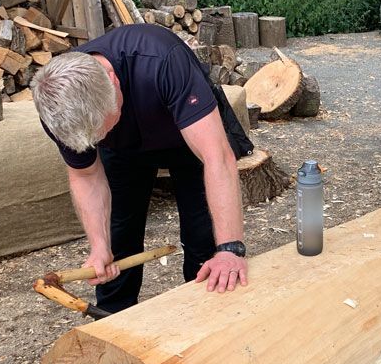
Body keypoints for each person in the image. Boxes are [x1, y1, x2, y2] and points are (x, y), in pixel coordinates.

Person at [31, 24, 249, 314]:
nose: (98, 139)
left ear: (113, 80)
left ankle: (211, 312)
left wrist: (230, 248)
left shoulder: (161, 60)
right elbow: (85, 175)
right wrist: (98, 246)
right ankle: (112, 323)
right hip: (125, 150)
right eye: (94, 137)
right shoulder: (58, 106)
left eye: (104, 126)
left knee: (202, 234)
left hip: (186, 136)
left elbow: (217, 157)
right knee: (117, 240)